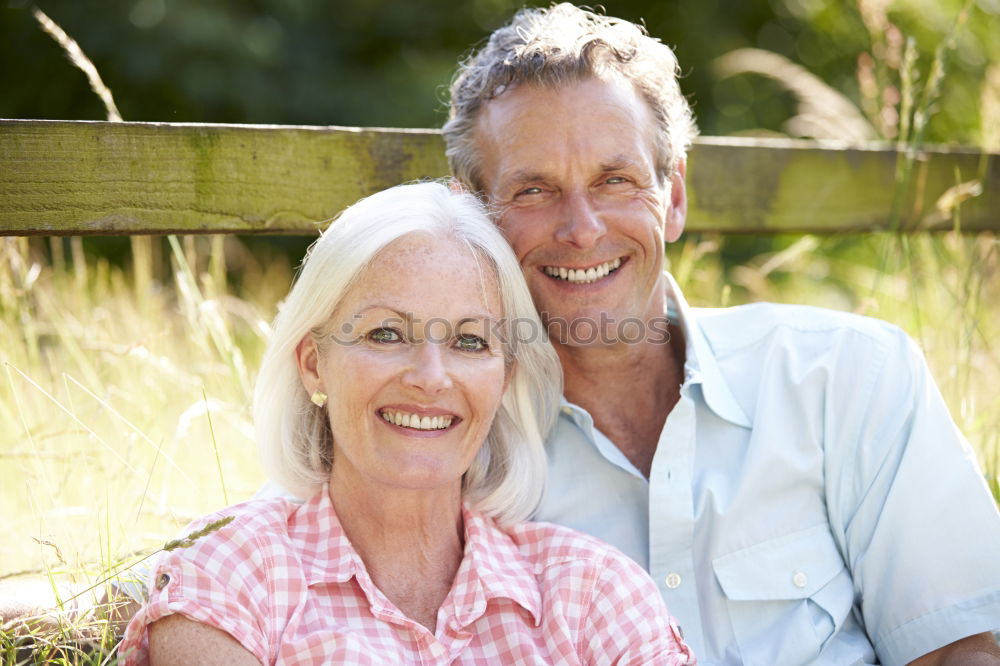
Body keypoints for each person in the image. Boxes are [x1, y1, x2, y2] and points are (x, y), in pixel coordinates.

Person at [435, 4, 1000, 666]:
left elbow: (956, 652)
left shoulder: (850, 377)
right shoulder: (449, 452)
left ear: (673, 196)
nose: (582, 228)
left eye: (614, 180)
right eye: (534, 191)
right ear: (474, 216)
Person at [116, 182, 694, 665]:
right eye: (385, 334)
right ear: (314, 363)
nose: (430, 377)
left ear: (503, 379)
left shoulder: (591, 592)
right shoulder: (234, 571)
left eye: (470, 341)